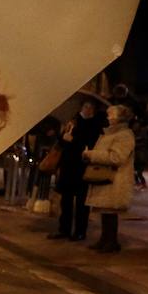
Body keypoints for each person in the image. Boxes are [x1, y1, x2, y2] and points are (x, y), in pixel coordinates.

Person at [49, 99, 106, 242]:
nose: (88, 109)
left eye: (91, 107)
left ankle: (80, 231)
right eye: (86, 106)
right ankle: (64, 229)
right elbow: (62, 142)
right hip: (68, 165)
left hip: (83, 165)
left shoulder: (96, 124)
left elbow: (91, 143)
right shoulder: (73, 122)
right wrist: (63, 137)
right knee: (66, 200)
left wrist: (73, 140)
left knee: (82, 202)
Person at [83, 104, 137, 253]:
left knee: (111, 212)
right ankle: (105, 239)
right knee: (106, 212)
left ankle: (111, 241)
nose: (108, 117)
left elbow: (117, 157)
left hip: (115, 178)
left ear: (119, 117)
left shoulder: (125, 135)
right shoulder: (110, 133)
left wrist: (92, 155)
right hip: (108, 177)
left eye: (111, 114)